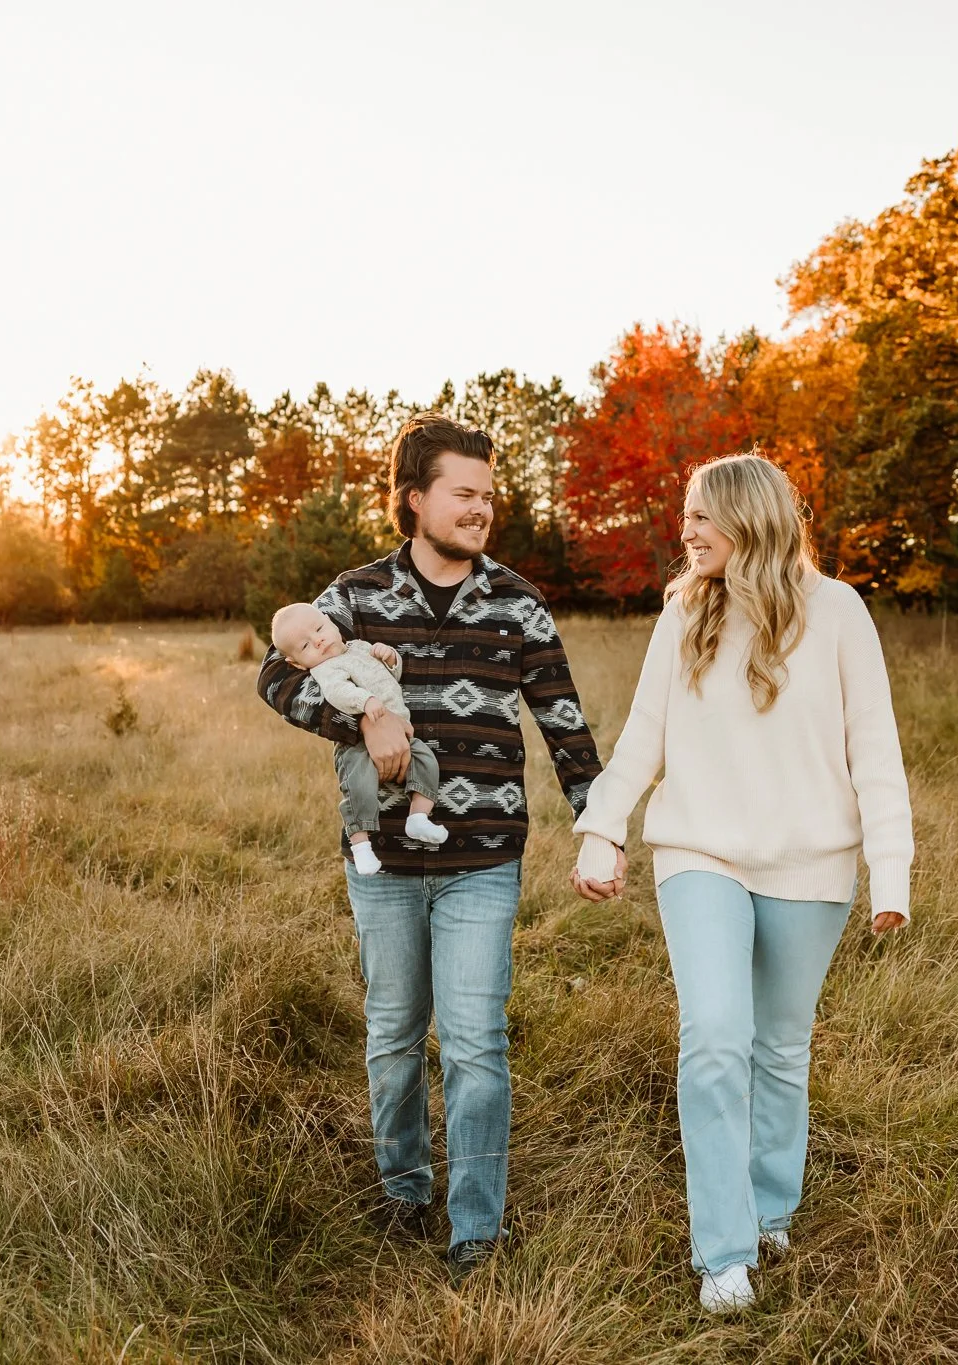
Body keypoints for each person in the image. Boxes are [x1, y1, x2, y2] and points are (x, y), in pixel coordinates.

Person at [255, 412, 603, 1283]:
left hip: (483, 856)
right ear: (415, 499)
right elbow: (272, 675)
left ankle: (474, 1228)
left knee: (478, 1041)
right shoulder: (354, 596)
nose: (482, 508)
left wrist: (599, 823)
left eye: (489, 495)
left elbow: (562, 721)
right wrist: (354, 718)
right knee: (394, 1033)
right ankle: (405, 1188)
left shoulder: (518, 600)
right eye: (464, 493)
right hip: (381, 864)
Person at [570, 452, 913, 1314]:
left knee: (780, 1049)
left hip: (812, 865)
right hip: (700, 855)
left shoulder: (839, 612)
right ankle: (723, 1251)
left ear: (752, 519)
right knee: (717, 1034)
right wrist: (602, 829)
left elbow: (875, 750)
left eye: (700, 516)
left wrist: (890, 872)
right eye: (684, 514)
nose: (684, 531)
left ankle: (770, 1209)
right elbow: (643, 737)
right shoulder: (683, 613)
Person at [267, 600, 449, 873]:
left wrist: (390, 658)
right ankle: (361, 844)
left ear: (331, 622)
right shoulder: (326, 668)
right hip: (358, 746)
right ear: (296, 663)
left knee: (426, 761)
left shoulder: (361, 647)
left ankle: (418, 816)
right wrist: (365, 703)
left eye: (319, 629)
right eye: (305, 646)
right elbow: (338, 693)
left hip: (401, 731)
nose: (318, 641)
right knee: (359, 787)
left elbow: (390, 677)